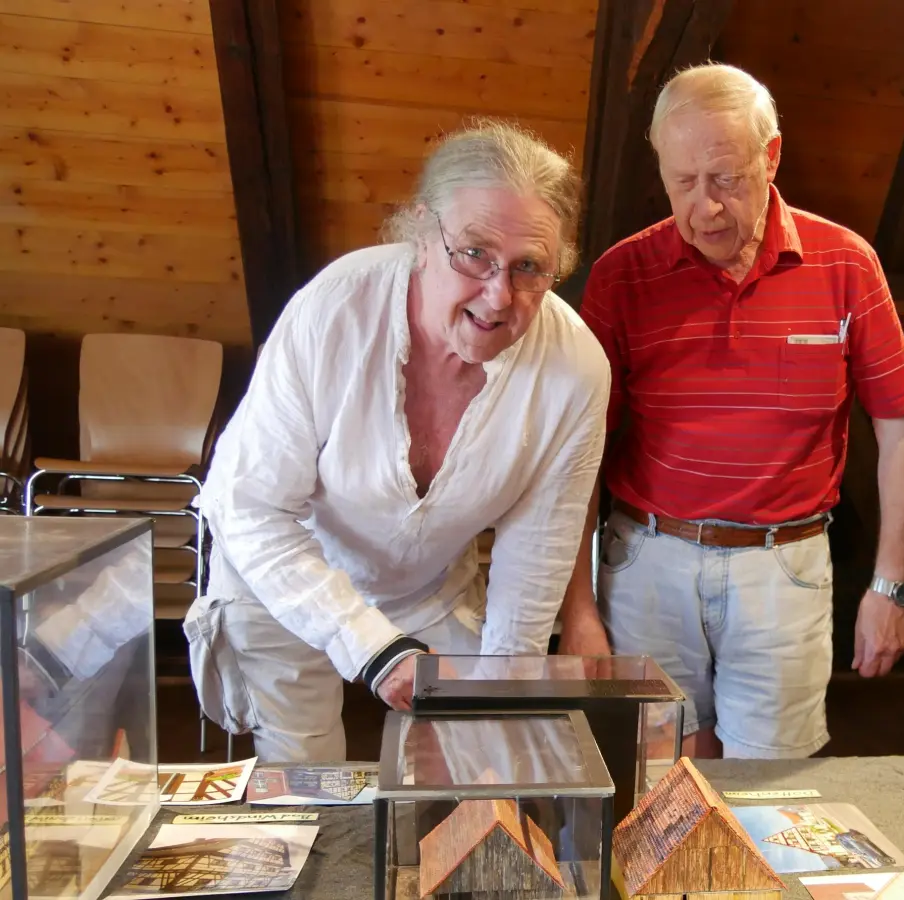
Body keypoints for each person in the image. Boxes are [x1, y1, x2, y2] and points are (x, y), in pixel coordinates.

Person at [184, 120, 611, 763]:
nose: (499, 295)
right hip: (281, 569)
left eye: (530, 268)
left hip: (425, 585)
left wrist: (499, 709)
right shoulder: (334, 309)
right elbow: (248, 506)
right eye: (475, 254)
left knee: (485, 751)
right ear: (420, 232)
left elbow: (535, 561)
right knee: (304, 772)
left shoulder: (575, 371)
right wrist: (371, 644)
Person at [559, 63, 904, 760]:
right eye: (682, 184)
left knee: (772, 786)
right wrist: (577, 610)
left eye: (726, 178)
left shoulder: (846, 265)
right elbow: (580, 453)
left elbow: (902, 426)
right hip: (645, 561)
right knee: (659, 780)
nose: (705, 208)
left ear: (773, 156)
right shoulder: (622, 275)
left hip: (782, 568)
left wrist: (892, 586)